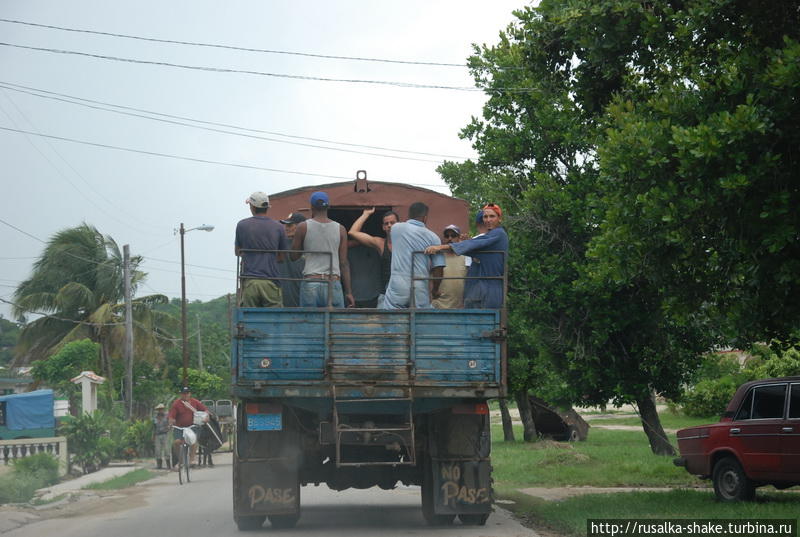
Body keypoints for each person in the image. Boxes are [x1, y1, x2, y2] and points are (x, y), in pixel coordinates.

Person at [425, 204, 508, 309]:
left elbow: (474, 245)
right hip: (477, 289)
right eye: (485, 217)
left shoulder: (498, 234)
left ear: (499, 219)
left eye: (492, 216)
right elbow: (473, 246)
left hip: (489, 289)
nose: (488, 220)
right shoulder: (488, 237)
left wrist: (440, 247)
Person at [291, 191, 355, 308]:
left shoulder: (303, 227)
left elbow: (294, 257)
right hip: (333, 282)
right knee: (335, 324)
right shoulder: (340, 229)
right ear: (328, 207)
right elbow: (344, 263)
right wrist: (349, 292)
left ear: (311, 207)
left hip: (311, 282)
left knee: (310, 324)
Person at [382, 202, 445, 309]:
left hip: (398, 285)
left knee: (391, 316)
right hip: (419, 287)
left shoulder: (396, 229)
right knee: (421, 319)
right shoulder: (433, 237)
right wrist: (435, 290)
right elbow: (438, 268)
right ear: (425, 218)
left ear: (409, 215)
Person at [235, 191, 290, 307]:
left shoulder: (242, 225)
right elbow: (281, 257)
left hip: (250, 281)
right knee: (275, 320)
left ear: (252, 207)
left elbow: (237, 252)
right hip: (271, 281)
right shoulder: (279, 227)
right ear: (267, 208)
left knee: (249, 321)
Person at [348, 208, 399, 305]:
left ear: (399, 225)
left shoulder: (406, 243)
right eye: (386, 223)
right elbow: (353, 232)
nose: (389, 226)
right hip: (385, 295)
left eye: (392, 223)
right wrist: (366, 214)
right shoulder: (380, 243)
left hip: (402, 293)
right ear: (383, 227)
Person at [167, 386, 209, 468]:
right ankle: (181, 460)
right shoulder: (176, 404)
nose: (185, 395)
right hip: (180, 428)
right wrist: (171, 422)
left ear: (190, 394)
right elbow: (171, 416)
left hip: (192, 426)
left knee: (193, 441)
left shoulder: (195, 402)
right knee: (176, 442)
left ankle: (192, 459)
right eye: (183, 393)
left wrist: (206, 417)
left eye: (187, 393)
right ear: (181, 394)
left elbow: (205, 410)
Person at [431, 225, 471, 309]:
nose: (450, 238)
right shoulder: (438, 257)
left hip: (460, 307)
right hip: (438, 305)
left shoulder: (466, 256)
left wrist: (468, 244)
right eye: (447, 236)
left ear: (458, 238)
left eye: (453, 236)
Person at [278, 212, 307, 307]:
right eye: (285, 225)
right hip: (286, 294)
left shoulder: (309, 244)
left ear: (300, 226)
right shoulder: (280, 243)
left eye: (289, 225)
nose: (286, 228)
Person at [152, 403, 170, 470]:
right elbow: (154, 427)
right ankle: (159, 465)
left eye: (161, 409)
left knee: (166, 449)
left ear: (163, 409)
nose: (160, 411)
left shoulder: (166, 416)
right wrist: (153, 436)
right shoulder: (155, 417)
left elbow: (169, 424)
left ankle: (168, 465)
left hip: (165, 434)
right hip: (157, 435)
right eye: (159, 409)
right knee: (157, 450)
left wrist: (168, 428)